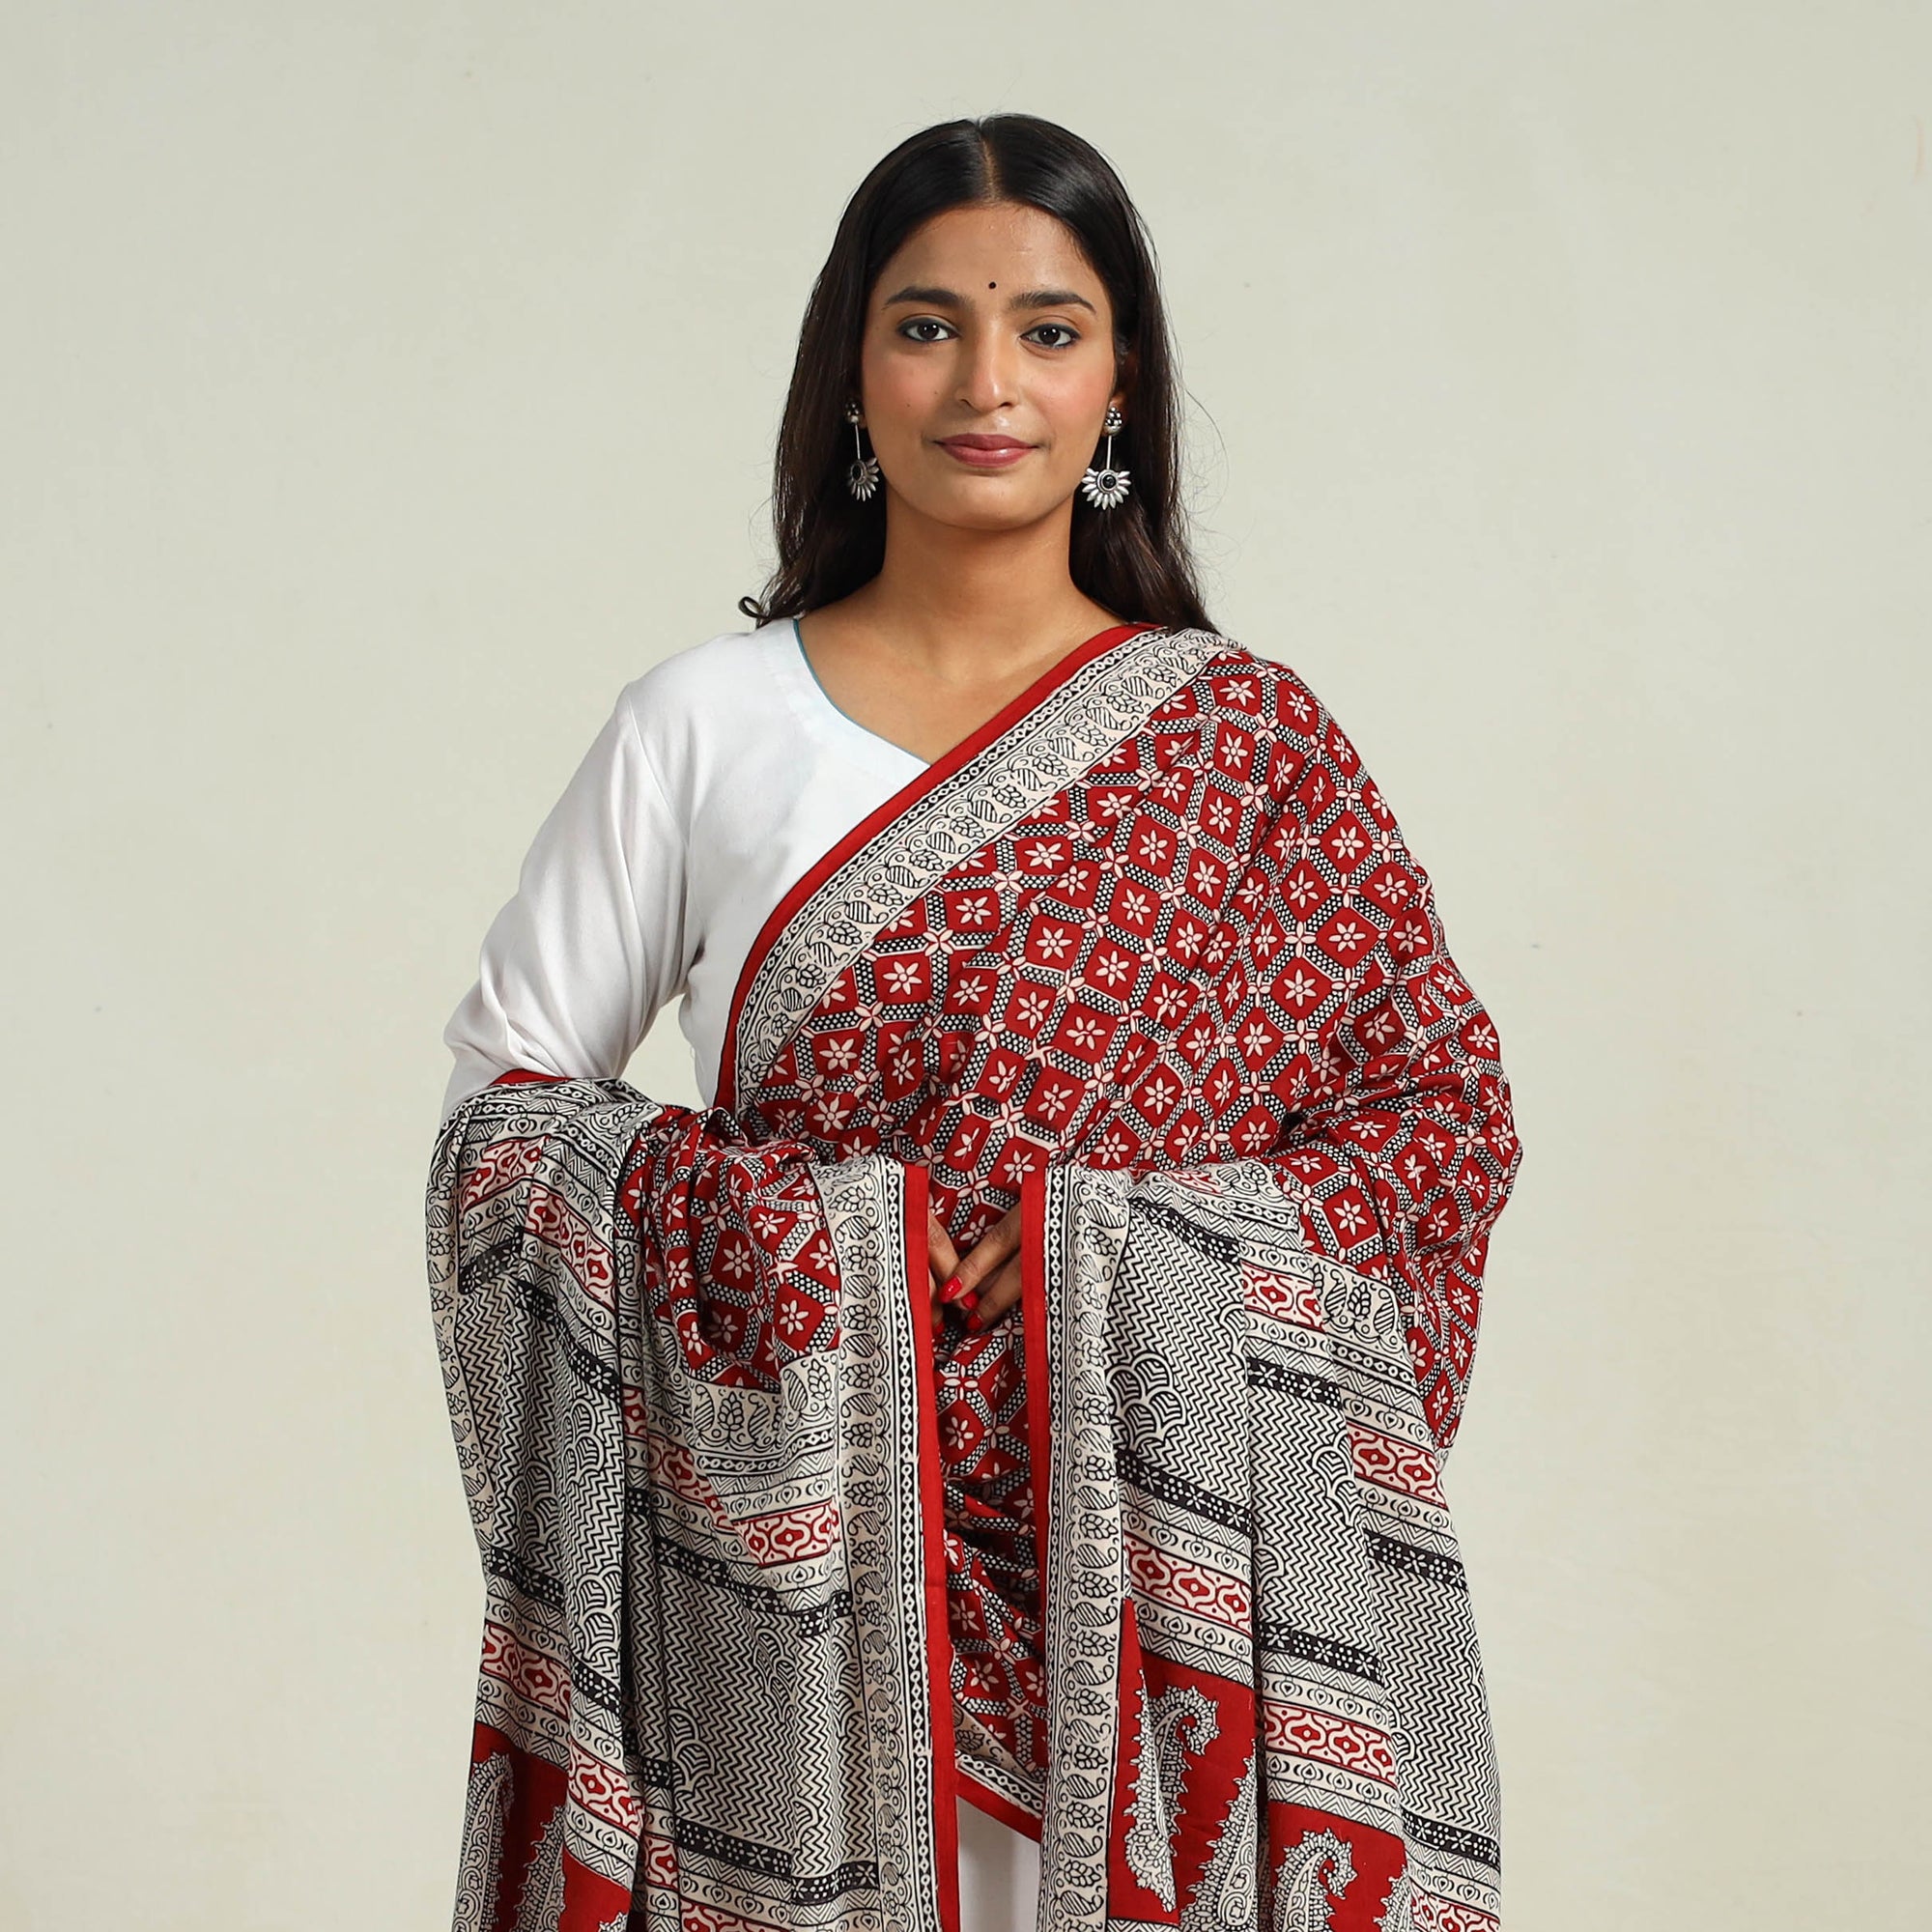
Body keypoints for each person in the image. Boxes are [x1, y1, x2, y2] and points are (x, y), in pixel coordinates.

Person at [431, 114, 1522, 1932]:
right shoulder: (705, 725)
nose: (987, 383)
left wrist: (1106, 1247)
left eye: (1049, 329)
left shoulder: (1249, 748)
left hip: (1161, 1620)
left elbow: (1438, 1125)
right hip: (793, 1620)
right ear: (852, 372)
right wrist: (824, 1240)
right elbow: (508, 1125)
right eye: (927, 326)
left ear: (1121, 384)